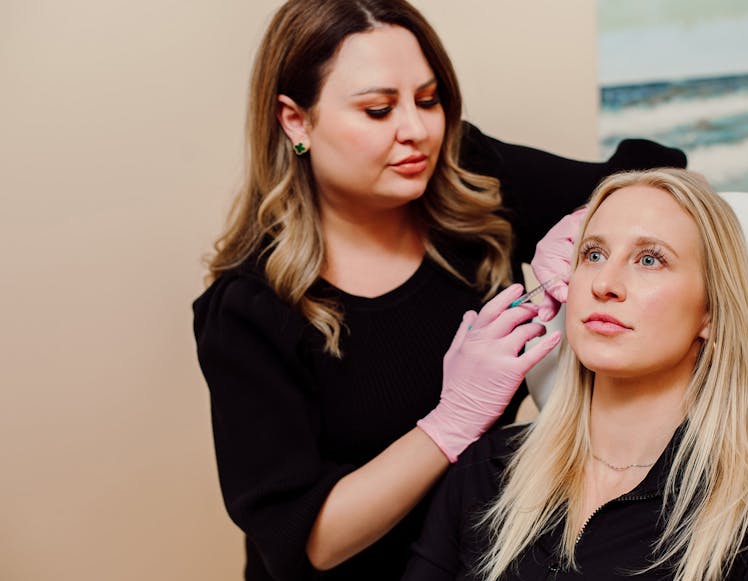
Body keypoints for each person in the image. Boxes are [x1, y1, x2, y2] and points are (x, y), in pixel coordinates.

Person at [191, 1, 686, 579]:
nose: (417, 131)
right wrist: (451, 422)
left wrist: (588, 224)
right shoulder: (249, 308)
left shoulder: (470, 180)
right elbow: (308, 542)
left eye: (429, 100)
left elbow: (664, 174)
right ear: (295, 120)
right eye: (378, 110)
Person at [402, 168, 748, 580]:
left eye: (650, 260)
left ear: (710, 311)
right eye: (592, 254)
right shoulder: (489, 469)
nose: (603, 283)